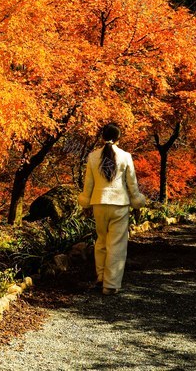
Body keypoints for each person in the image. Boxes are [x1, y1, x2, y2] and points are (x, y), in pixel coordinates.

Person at [77, 123, 147, 295]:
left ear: (102, 137)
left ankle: (100, 276)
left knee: (101, 241)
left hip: (99, 203)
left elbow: (89, 184)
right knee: (116, 244)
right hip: (119, 204)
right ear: (119, 138)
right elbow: (132, 184)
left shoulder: (93, 157)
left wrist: (85, 200)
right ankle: (110, 284)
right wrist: (137, 200)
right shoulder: (125, 156)